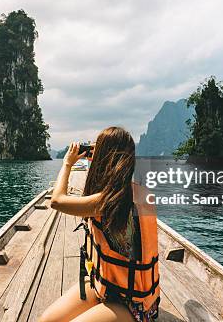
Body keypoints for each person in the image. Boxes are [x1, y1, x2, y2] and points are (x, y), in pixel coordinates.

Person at [39, 127, 159, 322]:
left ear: (105, 156)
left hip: (133, 304)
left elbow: (57, 200)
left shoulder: (111, 200)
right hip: (106, 286)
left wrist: (67, 164)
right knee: (46, 320)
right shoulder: (121, 193)